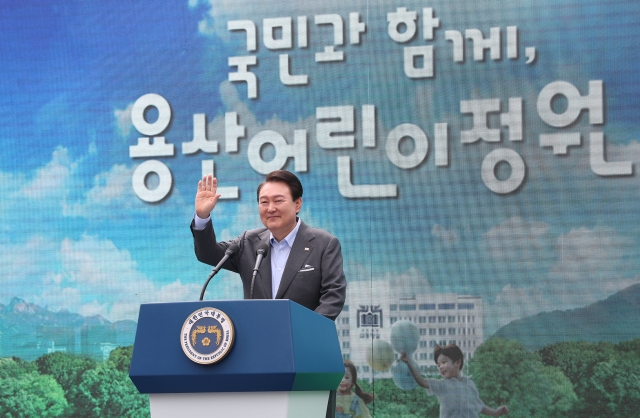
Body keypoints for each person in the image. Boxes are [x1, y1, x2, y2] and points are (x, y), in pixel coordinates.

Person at [190, 170, 347, 320]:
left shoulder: (323, 244)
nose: (271, 208)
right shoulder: (248, 242)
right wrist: (202, 216)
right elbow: (208, 253)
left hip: (302, 342)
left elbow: (333, 295)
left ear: (297, 204)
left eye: (278, 201)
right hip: (258, 340)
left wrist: (305, 330)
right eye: (264, 202)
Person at [400, 344, 509, 418]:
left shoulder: (469, 384)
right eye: (438, 365)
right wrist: (408, 362)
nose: (440, 367)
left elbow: (480, 406)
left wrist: (496, 412)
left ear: (457, 362)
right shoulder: (442, 385)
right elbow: (422, 381)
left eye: (443, 362)